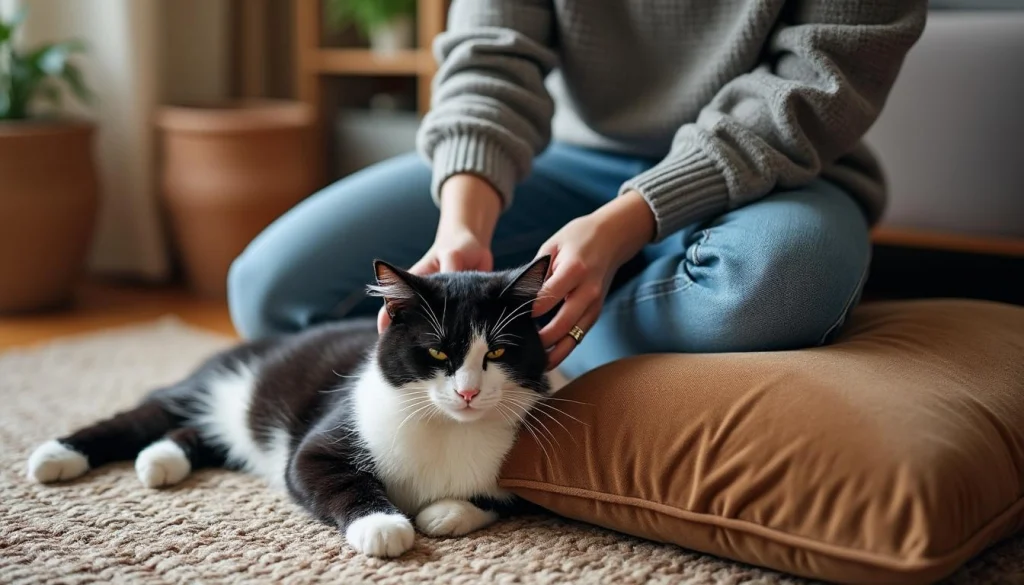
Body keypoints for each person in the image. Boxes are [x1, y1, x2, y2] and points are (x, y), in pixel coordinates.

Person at [227, 0, 927, 379]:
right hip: (570, 163)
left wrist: (626, 225)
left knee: (781, 287)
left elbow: (815, 86)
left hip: (772, 176)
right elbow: (488, 58)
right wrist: (462, 226)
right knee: (271, 290)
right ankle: (585, 321)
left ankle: (523, 348)